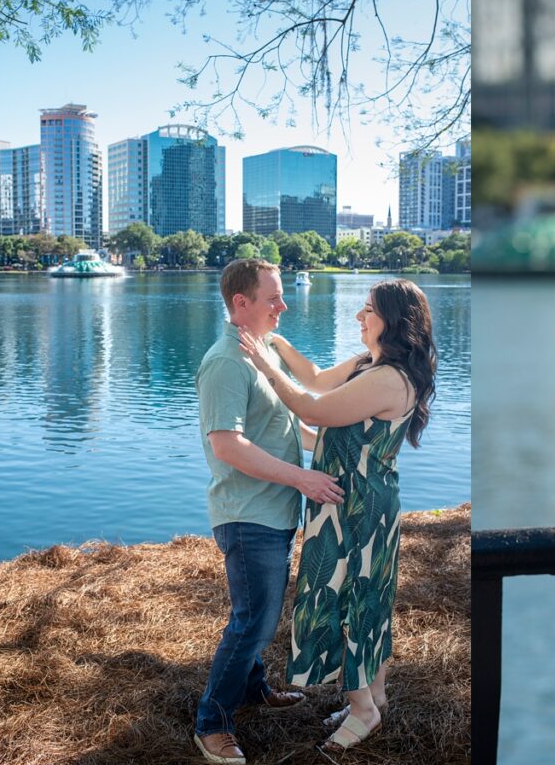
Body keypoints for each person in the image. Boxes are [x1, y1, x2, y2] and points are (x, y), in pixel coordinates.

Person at [237, 278, 437, 752]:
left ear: (393, 319)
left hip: (355, 507)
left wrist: (264, 364)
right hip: (364, 499)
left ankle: (364, 711)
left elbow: (312, 407)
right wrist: (278, 343)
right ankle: (376, 695)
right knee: (370, 597)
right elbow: (316, 379)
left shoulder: (388, 378)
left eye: (367, 310)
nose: (358, 318)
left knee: (347, 599)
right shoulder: (374, 365)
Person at [194, 258, 346, 765]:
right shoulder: (227, 362)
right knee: (253, 622)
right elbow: (228, 446)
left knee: (258, 612)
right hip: (247, 514)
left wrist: (340, 449)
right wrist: (303, 478)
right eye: (273, 297)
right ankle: (212, 723)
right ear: (242, 303)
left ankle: (254, 689)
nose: (283, 305)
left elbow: (281, 432)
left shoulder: (258, 355)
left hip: (273, 511)